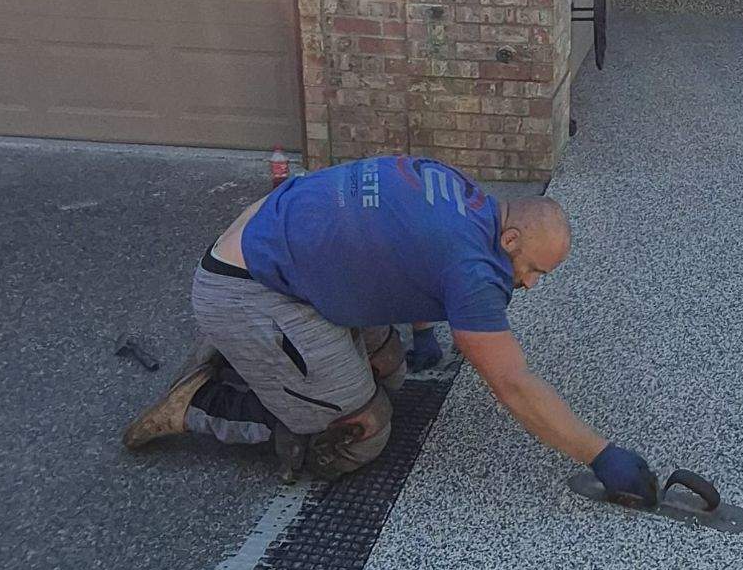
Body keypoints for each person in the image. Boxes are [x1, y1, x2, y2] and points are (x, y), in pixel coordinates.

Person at [122, 152, 658, 498]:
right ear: (511, 241)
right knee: (360, 430)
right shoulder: (475, 270)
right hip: (248, 286)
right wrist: (600, 454)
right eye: (535, 270)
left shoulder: (459, 191)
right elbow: (513, 384)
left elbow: (405, 254)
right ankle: (201, 404)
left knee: (390, 369)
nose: (534, 284)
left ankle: (258, 356)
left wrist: (423, 332)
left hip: (270, 240)